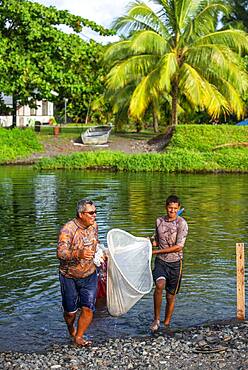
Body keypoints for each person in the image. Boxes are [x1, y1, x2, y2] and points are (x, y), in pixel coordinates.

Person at [57, 198, 99, 347]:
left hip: (90, 274)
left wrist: (101, 254)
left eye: (95, 212)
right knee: (70, 313)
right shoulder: (68, 229)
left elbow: (96, 244)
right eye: (91, 213)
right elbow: (61, 253)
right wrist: (78, 254)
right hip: (69, 276)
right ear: (81, 214)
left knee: (88, 308)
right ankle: (71, 329)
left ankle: (79, 337)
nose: (94, 215)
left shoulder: (94, 226)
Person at [150, 195, 188, 332]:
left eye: (174, 208)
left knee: (170, 295)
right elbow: (157, 241)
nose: (172, 211)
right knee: (159, 285)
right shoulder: (159, 221)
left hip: (176, 262)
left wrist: (155, 252)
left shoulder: (181, 223)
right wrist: (147, 243)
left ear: (178, 209)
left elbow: (179, 246)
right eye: (170, 208)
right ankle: (156, 319)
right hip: (161, 261)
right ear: (166, 207)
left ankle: (166, 323)